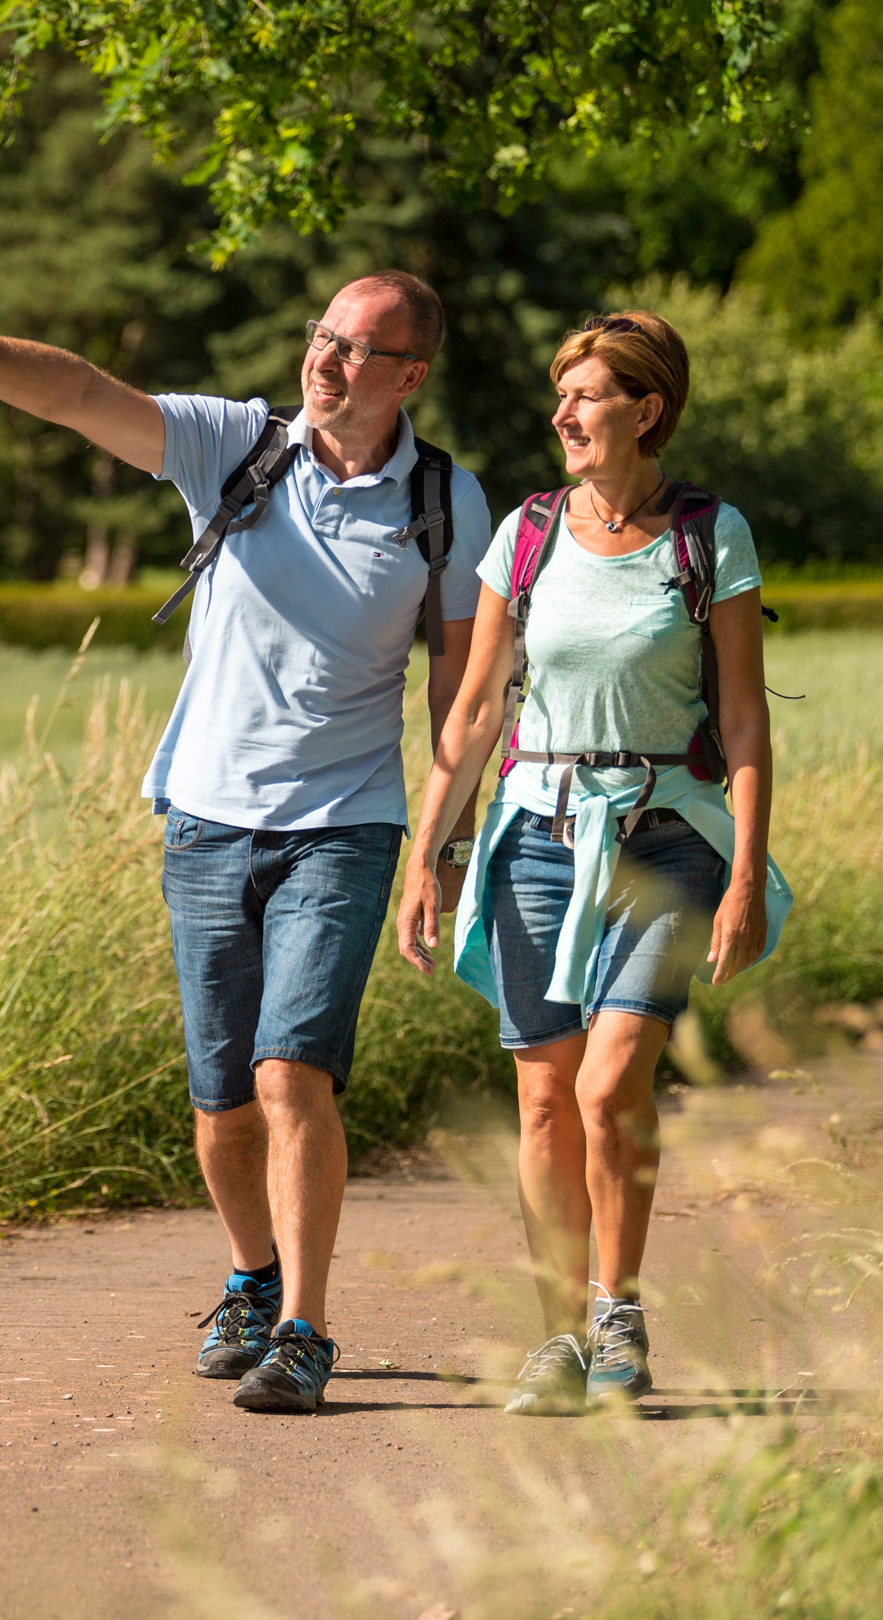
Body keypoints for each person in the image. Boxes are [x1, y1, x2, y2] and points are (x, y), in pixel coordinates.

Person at [0, 270, 492, 1414]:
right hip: (202, 816)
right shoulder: (234, 447)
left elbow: (458, 687)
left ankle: (303, 1330)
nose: (326, 364)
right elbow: (77, 393)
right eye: (320, 339)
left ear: (409, 376)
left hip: (343, 823)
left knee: (293, 1072)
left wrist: (443, 844)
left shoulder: (443, 500)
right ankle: (251, 1272)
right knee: (221, 1098)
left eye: (355, 351)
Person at [397, 311, 788, 1415]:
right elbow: (473, 711)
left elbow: (748, 724)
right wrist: (428, 853)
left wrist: (747, 875)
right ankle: (560, 1339)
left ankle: (617, 1311)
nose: (562, 414)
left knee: (608, 1083)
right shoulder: (524, 533)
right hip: (534, 833)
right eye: (560, 394)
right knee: (540, 1098)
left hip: (668, 836)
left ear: (645, 409)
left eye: (586, 395)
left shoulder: (710, 535)